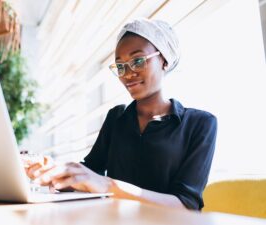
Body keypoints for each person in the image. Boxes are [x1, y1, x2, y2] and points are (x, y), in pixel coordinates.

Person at [25, 18, 217, 210]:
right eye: (120, 66)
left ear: (164, 60)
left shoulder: (200, 123)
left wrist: (108, 185)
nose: (127, 73)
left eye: (138, 61)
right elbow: (90, 172)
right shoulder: (117, 118)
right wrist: (53, 172)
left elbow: (186, 205)